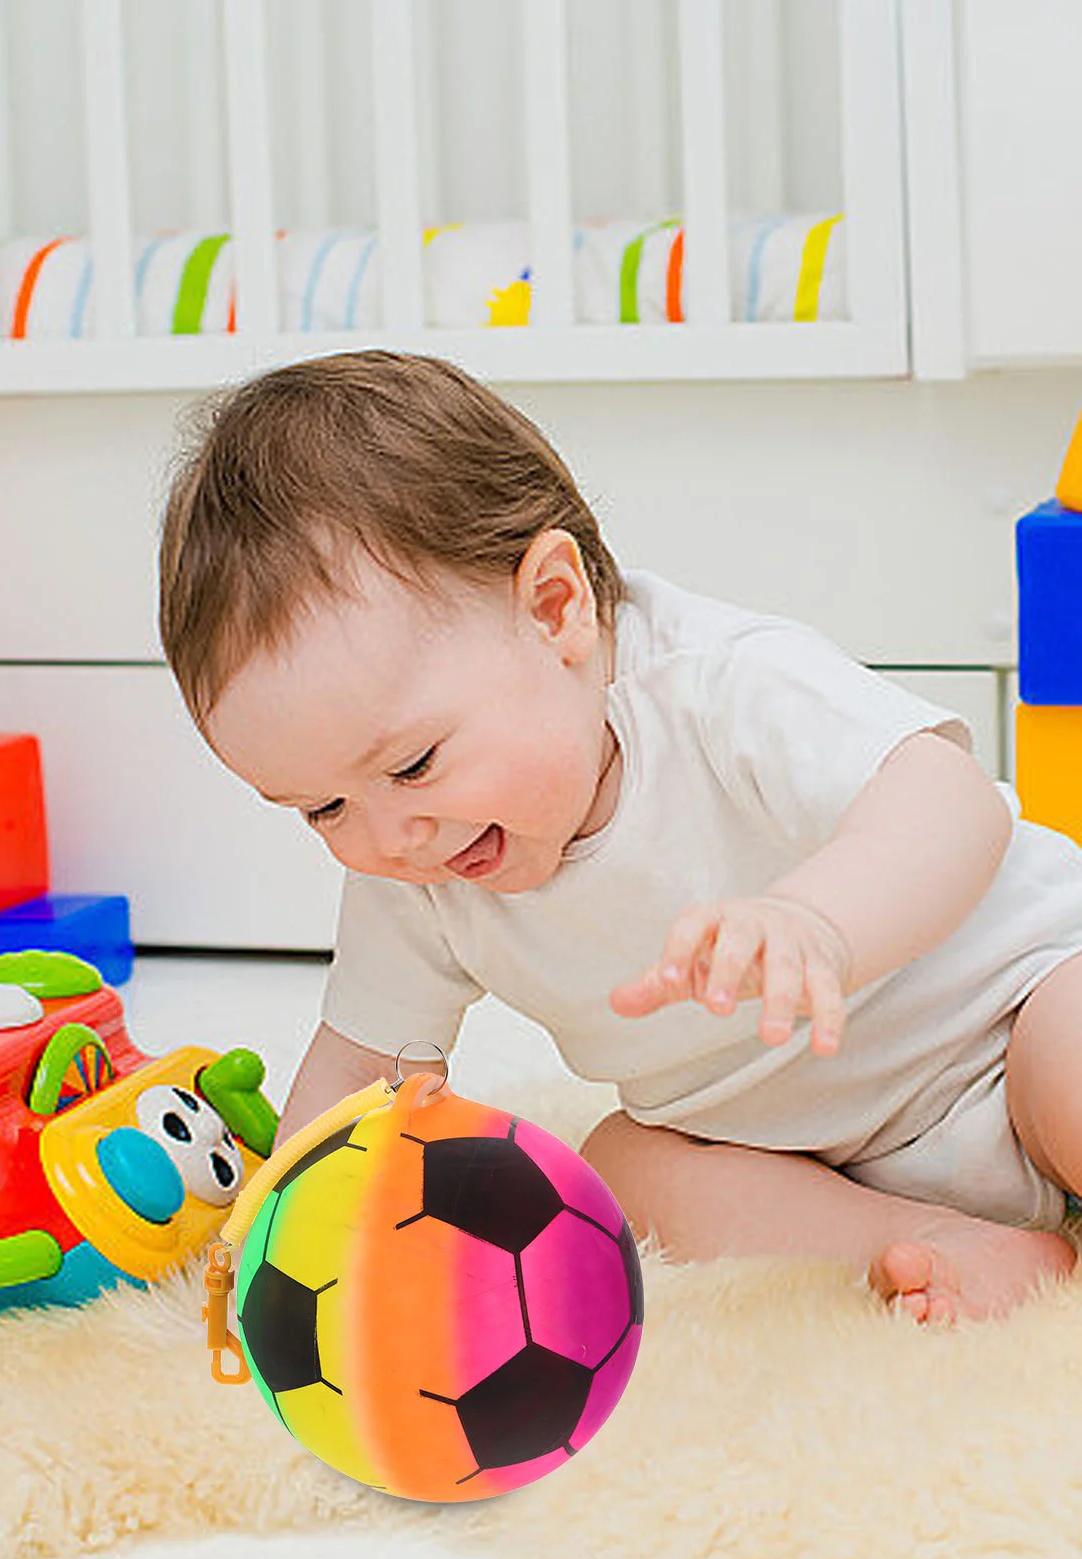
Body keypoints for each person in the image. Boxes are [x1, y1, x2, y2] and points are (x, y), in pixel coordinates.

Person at [158, 350, 1082, 1325]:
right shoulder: (414, 864)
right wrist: (285, 1239)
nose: (389, 836)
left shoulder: (716, 689)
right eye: (320, 808)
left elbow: (951, 802)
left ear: (555, 608)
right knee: (623, 1169)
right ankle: (942, 1243)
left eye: (414, 764)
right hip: (807, 1144)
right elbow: (365, 1072)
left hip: (1010, 1020)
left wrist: (818, 920)